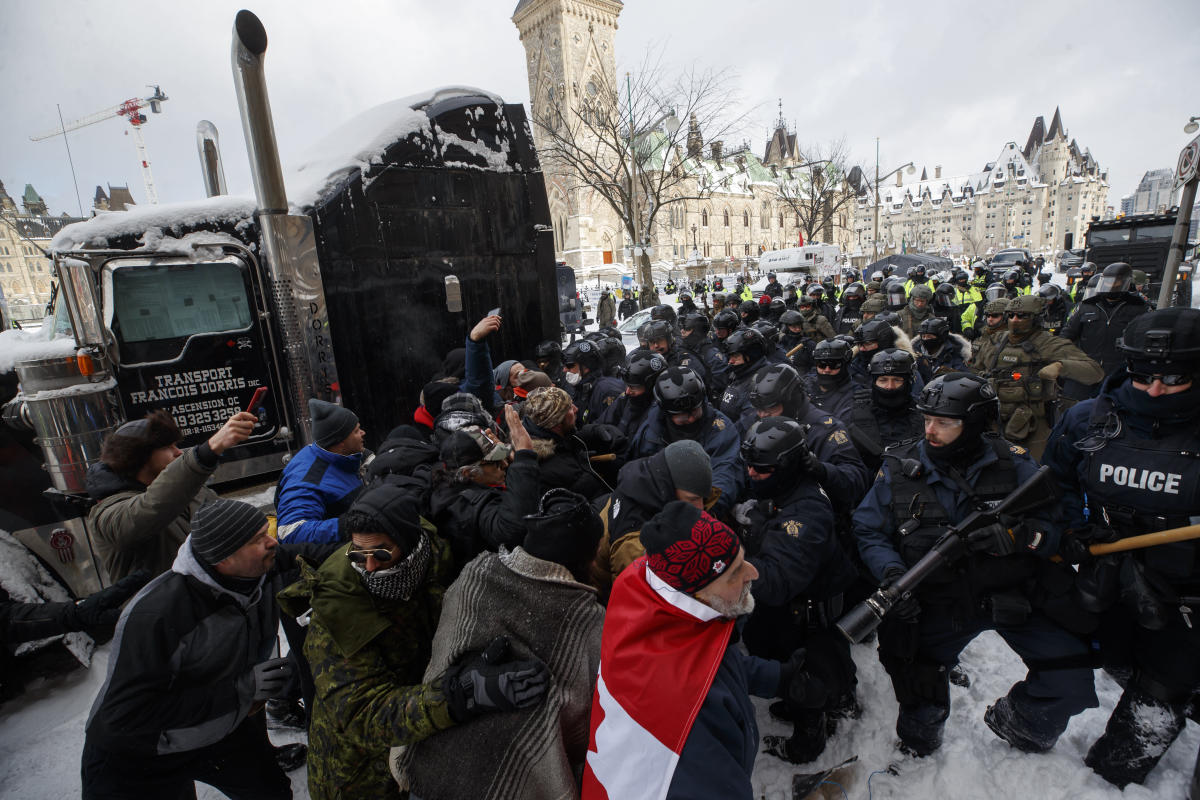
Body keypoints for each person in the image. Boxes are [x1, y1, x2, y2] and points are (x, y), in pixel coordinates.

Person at [853, 373, 1097, 757]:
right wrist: (892, 573)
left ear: (976, 423)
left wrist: (1020, 537)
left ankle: (1023, 723)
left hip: (1013, 593)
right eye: (926, 419)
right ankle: (921, 745)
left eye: (944, 423)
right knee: (915, 680)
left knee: (1070, 677)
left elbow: (1058, 527)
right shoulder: (899, 468)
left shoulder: (1014, 464)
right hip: (940, 598)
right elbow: (868, 530)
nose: (930, 431)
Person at [1042, 307, 1200, 789]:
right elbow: (1056, 482)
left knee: (1165, 679)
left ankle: (1114, 771)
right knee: (1105, 648)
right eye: (1143, 375)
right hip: (1107, 560)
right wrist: (1073, 528)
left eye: (1173, 378)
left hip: (1186, 581)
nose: (1154, 389)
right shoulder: (1088, 419)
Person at [82, 499, 320, 799]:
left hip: (220, 727)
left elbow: (311, 555)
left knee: (270, 792)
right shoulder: (158, 615)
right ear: (223, 558)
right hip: (142, 752)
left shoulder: (256, 569)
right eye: (258, 540)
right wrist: (243, 688)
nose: (272, 543)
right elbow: (128, 715)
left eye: (266, 532)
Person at [400, 490, 604, 800]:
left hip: (430, 766)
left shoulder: (475, 575)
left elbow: (439, 659)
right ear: (587, 555)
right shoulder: (587, 620)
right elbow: (580, 725)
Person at [582, 503, 791, 800]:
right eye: (733, 574)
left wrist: (778, 677)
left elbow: (707, 663)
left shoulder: (650, 594)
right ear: (695, 594)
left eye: (743, 560)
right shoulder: (689, 719)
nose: (753, 573)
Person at [736, 418, 858, 764]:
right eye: (749, 466)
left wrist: (729, 560)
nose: (752, 474)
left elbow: (775, 582)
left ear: (788, 465)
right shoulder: (778, 487)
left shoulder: (807, 511)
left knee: (807, 680)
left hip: (806, 616)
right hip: (790, 612)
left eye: (762, 468)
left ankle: (807, 743)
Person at [86, 408, 257, 581]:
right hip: (159, 607)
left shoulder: (191, 490)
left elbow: (232, 525)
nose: (178, 452)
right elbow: (151, 508)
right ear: (138, 456)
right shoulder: (107, 513)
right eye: (168, 447)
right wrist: (207, 451)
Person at [976, 294, 1103, 459]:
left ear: (1036, 318)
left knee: (1034, 468)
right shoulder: (996, 341)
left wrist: (1060, 366)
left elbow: (1094, 372)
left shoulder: (1049, 344)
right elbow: (975, 369)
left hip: (1032, 422)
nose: (1015, 320)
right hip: (994, 418)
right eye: (1011, 315)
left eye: (1022, 316)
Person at [591, 440, 716, 593]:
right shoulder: (635, 544)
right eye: (692, 499)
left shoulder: (644, 482)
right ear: (669, 487)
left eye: (703, 498)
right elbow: (636, 602)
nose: (700, 508)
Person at [746, 363, 869, 513]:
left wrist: (823, 471)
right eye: (759, 409)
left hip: (813, 513)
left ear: (790, 401)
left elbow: (857, 481)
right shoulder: (760, 420)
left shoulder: (825, 430)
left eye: (771, 409)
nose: (763, 415)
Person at [429, 411, 540, 569]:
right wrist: (524, 462)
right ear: (468, 472)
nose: (505, 464)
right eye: (495, 462)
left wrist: (514, 462)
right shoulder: (464, 506)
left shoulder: (453, 479)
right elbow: (512, 532)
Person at [628, 366, 743, 517]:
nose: (689, 419)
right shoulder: (651, 429)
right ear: (666, 413)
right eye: (681, 416)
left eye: (695, 412)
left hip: (702, 506)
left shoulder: (720, 429)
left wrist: (707, 511)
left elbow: (726, 472)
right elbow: (638, 468)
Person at [274, 399, 367, 543]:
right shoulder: (310, 478)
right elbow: (290, 531)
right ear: (340, 442)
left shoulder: (349, 454)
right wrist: (350, 525)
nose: (363, 433)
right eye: (356, 431)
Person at [1059, 261, 1150, 404]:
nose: (1111, 285)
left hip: (1118, 371)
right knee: (1072, 406)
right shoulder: (1087, 306)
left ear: (1126, 282)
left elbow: (1144, 340)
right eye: (1107, 282)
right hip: (1086, 368)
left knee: (1113, 409)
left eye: (1116, 282)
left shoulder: (1138, 308)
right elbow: (1067, 334)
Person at [521, 386, 612, 501]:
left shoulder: (552, 437)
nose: (576, 409)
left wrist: (592, 431)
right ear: (556, 420)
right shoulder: (559, 470)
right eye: (569, 408)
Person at [844, 349, 926, 473]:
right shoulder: (854, 413)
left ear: (909, 381)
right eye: (883, 380)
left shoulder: (924, 416)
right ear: (874, 381)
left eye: (897, 380)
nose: (890, 386)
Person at [718, 327, 774, 435]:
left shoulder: (763, 383)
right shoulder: (739, 373)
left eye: (735, 356)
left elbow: (746, 425)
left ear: (752, 354)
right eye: (730, 356)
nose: (730, 361)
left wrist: (721, 437)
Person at [561, 340, 624, 424]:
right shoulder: (582, 387)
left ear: (587, 366)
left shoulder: (606, 391)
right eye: (564, 366)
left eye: (570, 366)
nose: (564, 370)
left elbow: (607, 430)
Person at [679, 312, 730, 402]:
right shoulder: (683, 349)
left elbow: (720, 386)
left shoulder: (712, 355)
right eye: (682, 328)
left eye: (687, 329)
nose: (682, 331)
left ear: (697, 331)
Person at [805, 338, 858, 422]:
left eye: (833, 365)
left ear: (845, 365)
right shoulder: (806, 385)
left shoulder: (855, 395)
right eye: (821, 364)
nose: (827, 370)